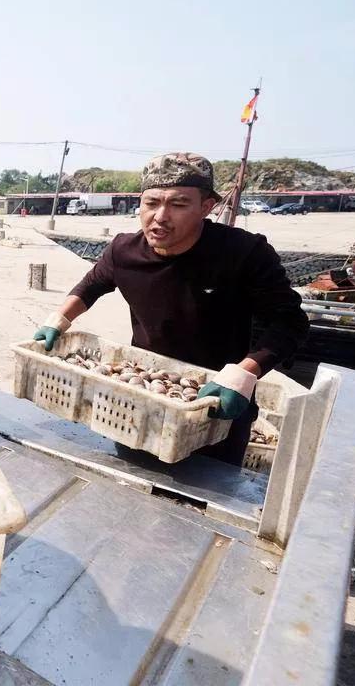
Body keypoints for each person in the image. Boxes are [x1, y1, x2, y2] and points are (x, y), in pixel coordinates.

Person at [33, 152, 308, 466]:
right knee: (135, 477)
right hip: (143, 399)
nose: (160, 217)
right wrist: (59, 318)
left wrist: (243, 374)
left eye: (178, 204)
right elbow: (92, 284)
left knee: (204, 493)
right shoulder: (123, 250)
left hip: (216, 406)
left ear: (207, 206)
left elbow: (291, 322)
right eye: (151, 203)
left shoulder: (245, 253)